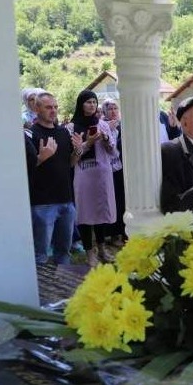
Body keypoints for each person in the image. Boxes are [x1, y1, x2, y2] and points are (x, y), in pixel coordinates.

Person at [67, 90, 118, 267]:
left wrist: (105, 141)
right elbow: (72, 159)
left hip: (102, 174)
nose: (92, 105)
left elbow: (113, 152)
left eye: (94, 102)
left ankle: (102, 249)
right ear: (81, 104)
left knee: (101, 212)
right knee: (85, 213)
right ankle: (90, 253)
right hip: (83, 176)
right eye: (88, 102)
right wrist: (88, 143)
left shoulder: (103, 125)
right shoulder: (72, 128)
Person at [27, 92, 79, 265]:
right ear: (36, 108)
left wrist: (78, 151)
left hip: (66, 200)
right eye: (48, 107)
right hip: (42, 203)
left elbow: (70, 163)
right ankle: (40, 291)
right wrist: (41, 158)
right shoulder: (30, 134)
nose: (53, 111)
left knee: (63, 253)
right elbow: (25, 170)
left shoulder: (63, 132)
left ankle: (63, 290)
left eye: (55, 107)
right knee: (40, 256)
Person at [101, 98, 126, 247]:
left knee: (122, 200)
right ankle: (112, 234)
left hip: (123, 169)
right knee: (111, 201)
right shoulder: (102, 127)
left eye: (115, 108)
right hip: (107, 169)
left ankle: (123, 232)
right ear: (104, 112)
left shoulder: (124, 125)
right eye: (110, 109)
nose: (113, 111)